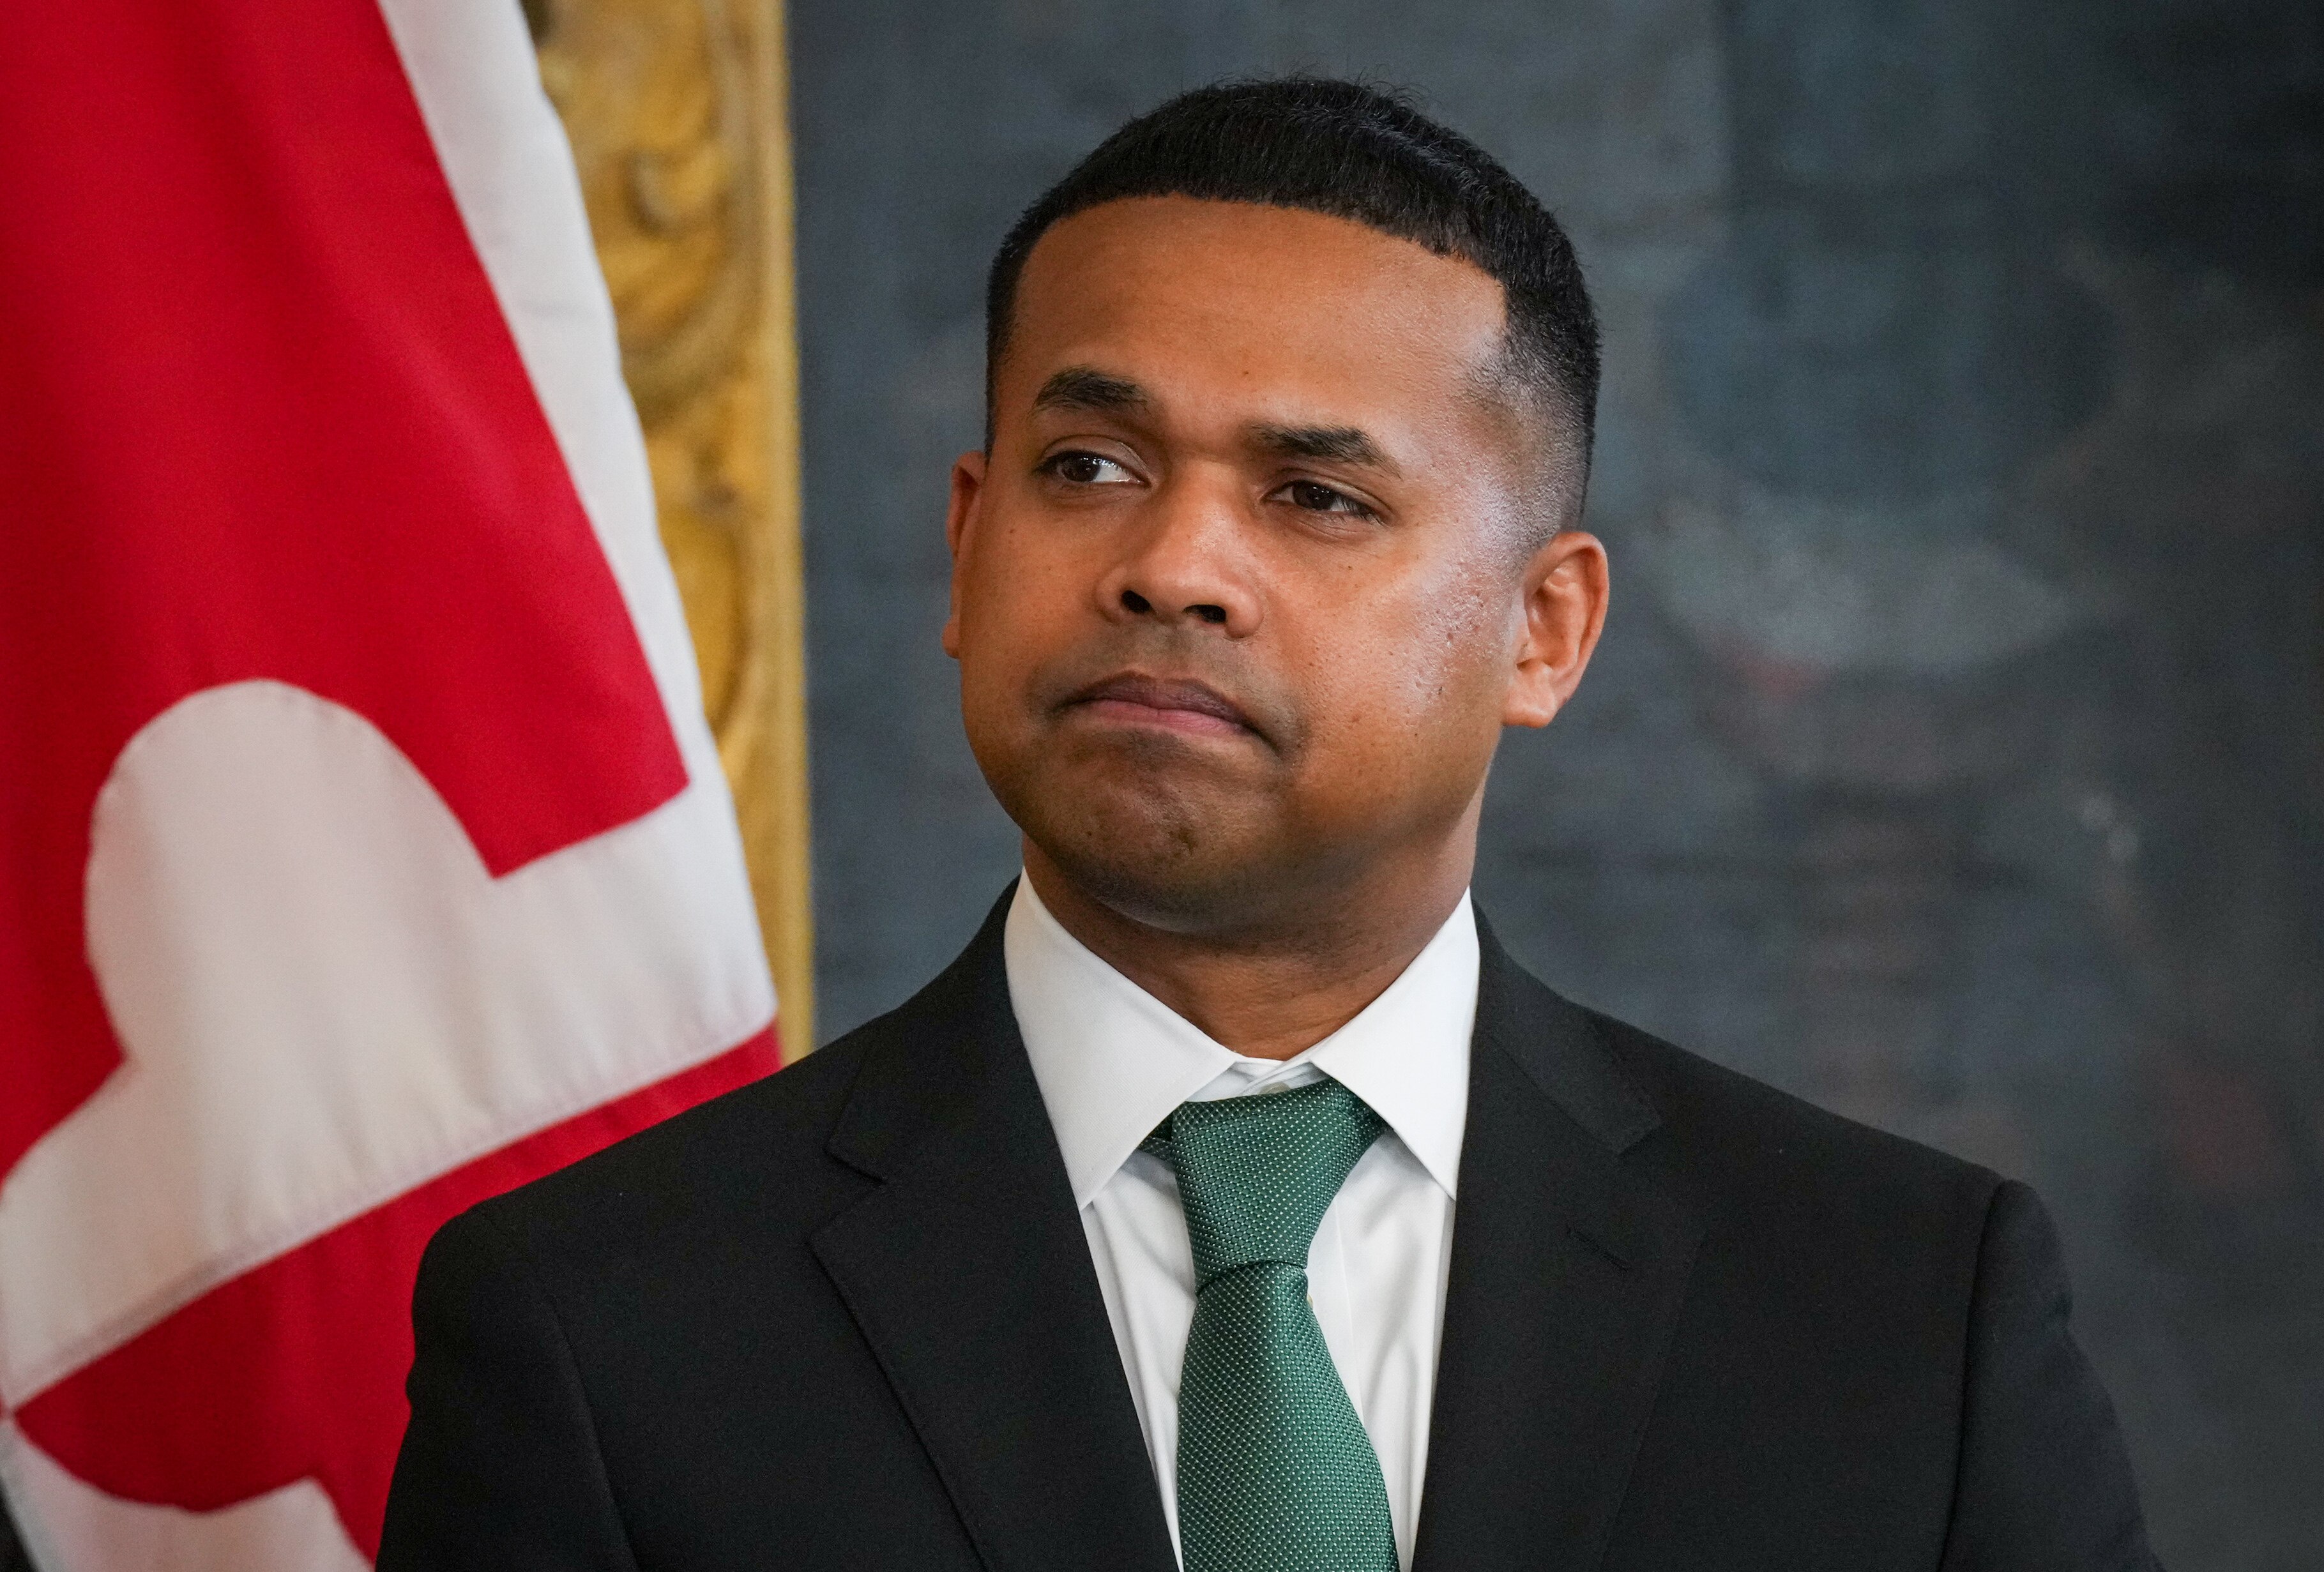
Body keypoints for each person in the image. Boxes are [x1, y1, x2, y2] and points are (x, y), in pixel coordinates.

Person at [379, 79, 2158, 1571]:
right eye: (1090, 470)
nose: (1170, 565)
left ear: (1545, 630)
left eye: (1315, 493)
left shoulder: (1904, 1313)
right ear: (965, 537)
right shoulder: (600, 1325)